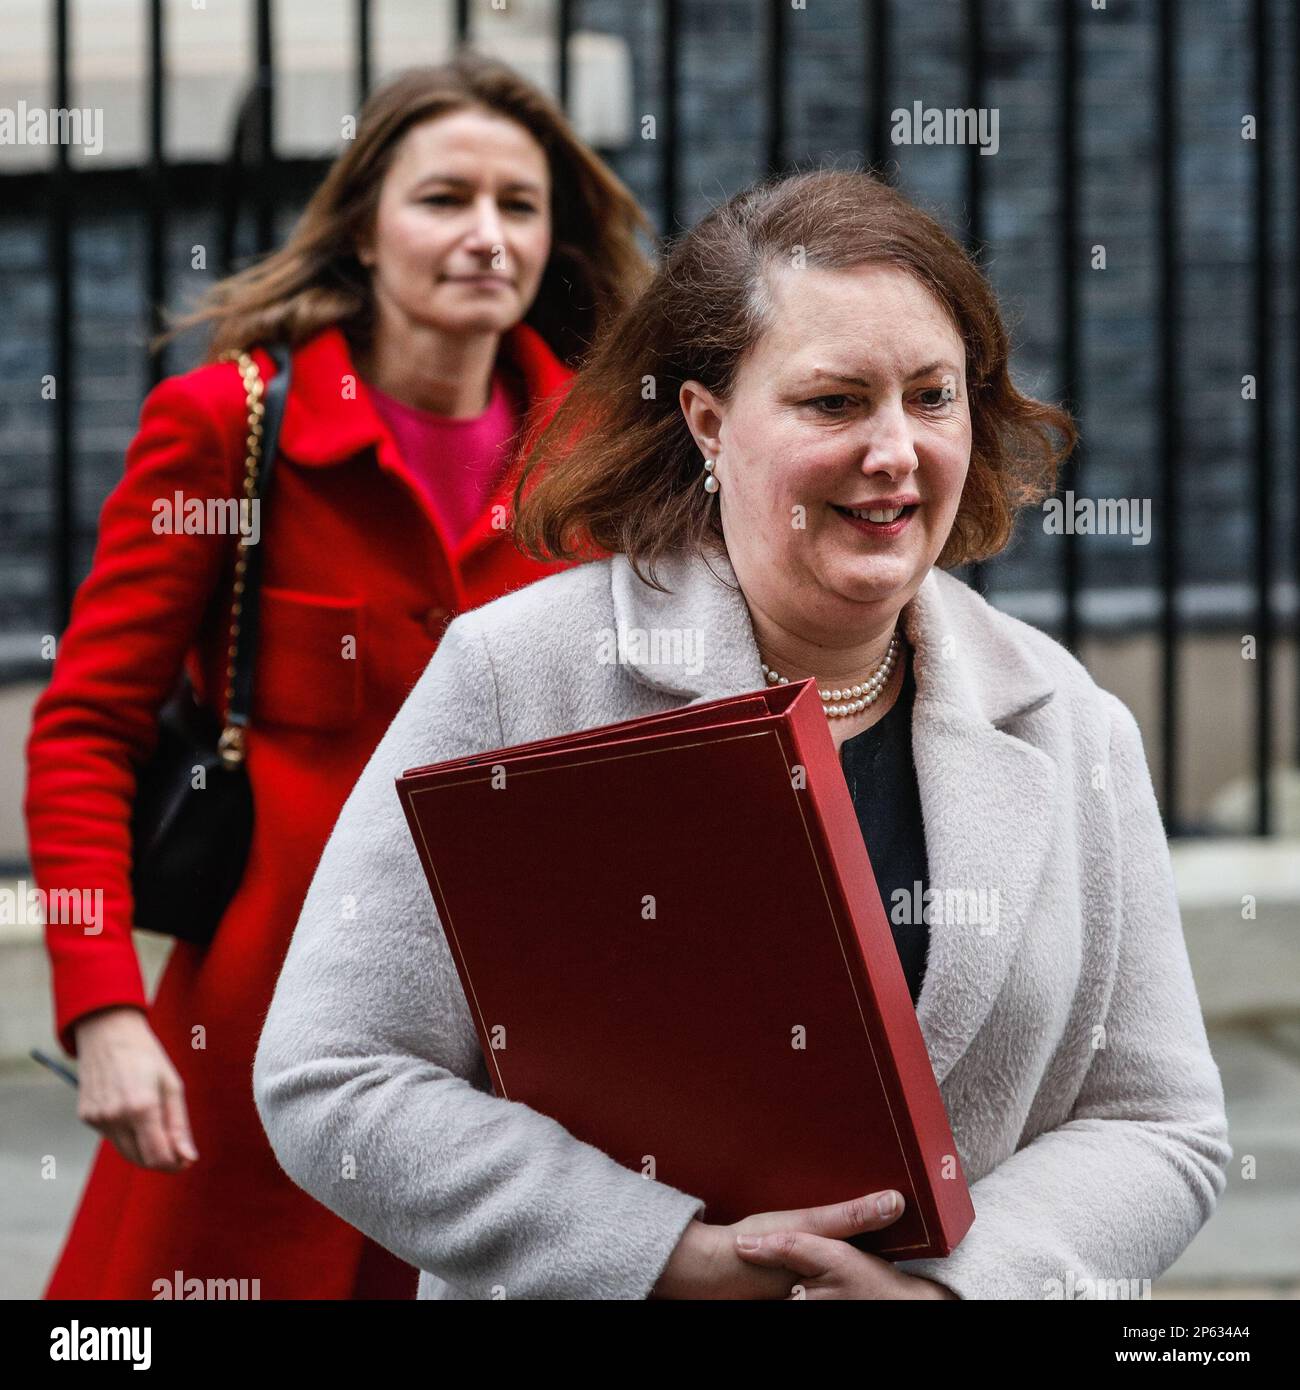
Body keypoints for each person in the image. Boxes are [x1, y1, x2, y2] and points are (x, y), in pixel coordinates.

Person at [251, 168, 1232, 1299]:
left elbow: (1158, 1121)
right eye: (833, 401)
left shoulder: (1070, 723)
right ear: (709, 422)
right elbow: (336, 1076)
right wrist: (664, 1257)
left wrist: (955, 1288)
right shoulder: (516, 674)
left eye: (932, 395)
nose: (894, 450)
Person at [25, 52, 652, 1300]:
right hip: (260, 1039)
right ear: (364, 226)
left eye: (517, 206)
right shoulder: (224, 427)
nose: (485, 235)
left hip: (525, 1060)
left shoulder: (602, 460)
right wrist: (103, 1009)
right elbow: (84, 731)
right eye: (443, 199)